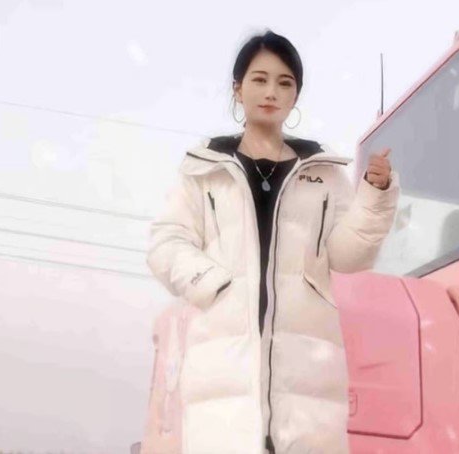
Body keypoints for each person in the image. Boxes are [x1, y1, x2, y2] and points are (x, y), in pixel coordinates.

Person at [146, 29, 400, 454]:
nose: (271, 92)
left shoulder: (323, 173)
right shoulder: (205, 170)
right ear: (238, 88)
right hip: (224, 370)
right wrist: (216, 284)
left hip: (307, 373)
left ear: (296, 95)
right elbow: (166, 243)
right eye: (260, 79)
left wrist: (375, 195)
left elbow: (347, 255)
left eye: (285, 83)